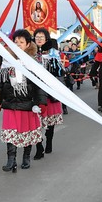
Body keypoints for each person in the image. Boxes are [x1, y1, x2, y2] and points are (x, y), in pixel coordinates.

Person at [0, 29, 47, 172]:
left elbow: (39, 85)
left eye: (21, 42)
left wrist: (41, 102)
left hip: (27, 105)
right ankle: (11, 160)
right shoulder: (6, 62)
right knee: (10, 133)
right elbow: (0, 84)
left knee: (26, 132)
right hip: (10, 104)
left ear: (28, 44)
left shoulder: (32, 63)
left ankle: (26, 157)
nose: (17, 45)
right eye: (15, 42)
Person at [32, 28, 64, 159]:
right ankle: (39, 147)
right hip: (34, 93)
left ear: (46, 39)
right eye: (36, 37)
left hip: (50, 93)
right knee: (36, 122)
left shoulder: (53, 54)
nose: (39, 39)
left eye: (41, 36)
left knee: (49, 123)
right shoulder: (29, 54)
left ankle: (49, 141)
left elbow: (59, 73)